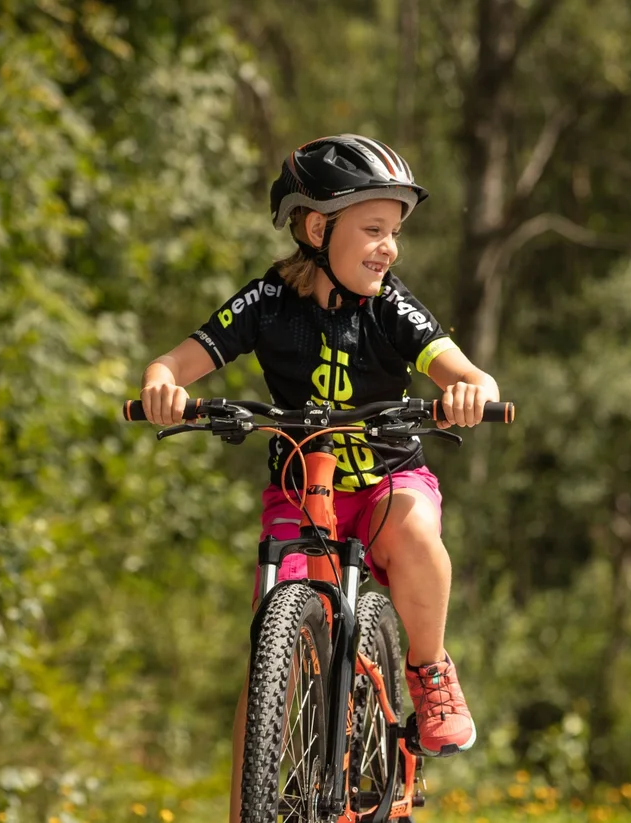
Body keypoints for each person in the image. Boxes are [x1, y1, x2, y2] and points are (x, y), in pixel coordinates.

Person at [136, 135, 497, 810]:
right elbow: (177, 361)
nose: (388, 246)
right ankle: (255, 807)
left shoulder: (390, 304)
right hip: (303, 490)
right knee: (269, 647)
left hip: (388, 483)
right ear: (315, 227)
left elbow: (459, 366)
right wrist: (162, 383)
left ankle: (427, 668)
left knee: (419, 536)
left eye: (394, 232)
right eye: (372, 229)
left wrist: (470, 387)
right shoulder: (270, 299)